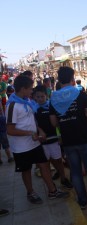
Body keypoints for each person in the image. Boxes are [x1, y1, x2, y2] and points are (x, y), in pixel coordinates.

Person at [49, 67, 87, 214]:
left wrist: (65, 122)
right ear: (72, 78)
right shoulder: (80, 94)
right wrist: (85, 123)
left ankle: (82, 202)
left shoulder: (53, 97)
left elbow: (53, 123)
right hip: (84, 138)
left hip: (68, 140)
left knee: (75, 172)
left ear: (58, 79)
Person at [6, 75, 69, 204]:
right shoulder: (12, 106)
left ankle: (52, 191)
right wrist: (29, 133)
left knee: (44, 165)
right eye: (30, 89)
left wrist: (39, 130)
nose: (31, 92)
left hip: (34, 143)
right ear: (23, 89)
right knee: (26, 170)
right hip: (21, 147)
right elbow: (10, 130)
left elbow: (32, 119)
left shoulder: (26, 102)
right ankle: (31, 192)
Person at [33, 85, 73, 189]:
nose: (40, 99)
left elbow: (57, 123)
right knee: (46, 162)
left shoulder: (52, 106)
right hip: (42, 140)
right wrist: (39, 131)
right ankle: (51, 182)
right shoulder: (33, 109)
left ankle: (63, 179)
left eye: (42, 96)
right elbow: (34, 124)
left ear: (46, 96)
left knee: (58, 160)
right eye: (38, 97)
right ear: (34, 97)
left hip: (54, 139)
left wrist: (60, 136)